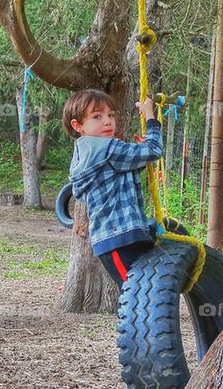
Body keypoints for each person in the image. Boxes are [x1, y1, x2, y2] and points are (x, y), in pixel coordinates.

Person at [63, 89, 161, 288]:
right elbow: (154, 150)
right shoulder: (108, 149)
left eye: (111, 115)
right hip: (120, 239)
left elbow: (119, 172)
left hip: (117, 238)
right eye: (97, 116)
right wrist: (151, 117)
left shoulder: (87, 152)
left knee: (142, 294)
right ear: (78, 125)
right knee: (137, 294)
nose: (107, 121)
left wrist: (138, 157)